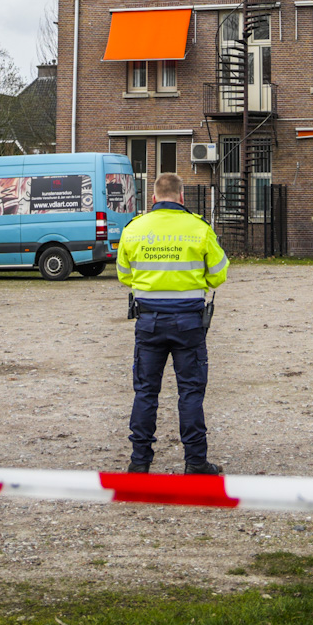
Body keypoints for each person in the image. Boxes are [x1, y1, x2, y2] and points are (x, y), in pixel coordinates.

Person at [116, 172, 228, 474]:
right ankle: (195, 462)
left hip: (149, 321)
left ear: (153, 198)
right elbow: (219, 274)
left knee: (145, 392)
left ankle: (139, 462)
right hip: (188, 322)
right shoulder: (199, 229)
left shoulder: (134, 229)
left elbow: (125, 274)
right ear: (182, 198)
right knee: (190, 392)